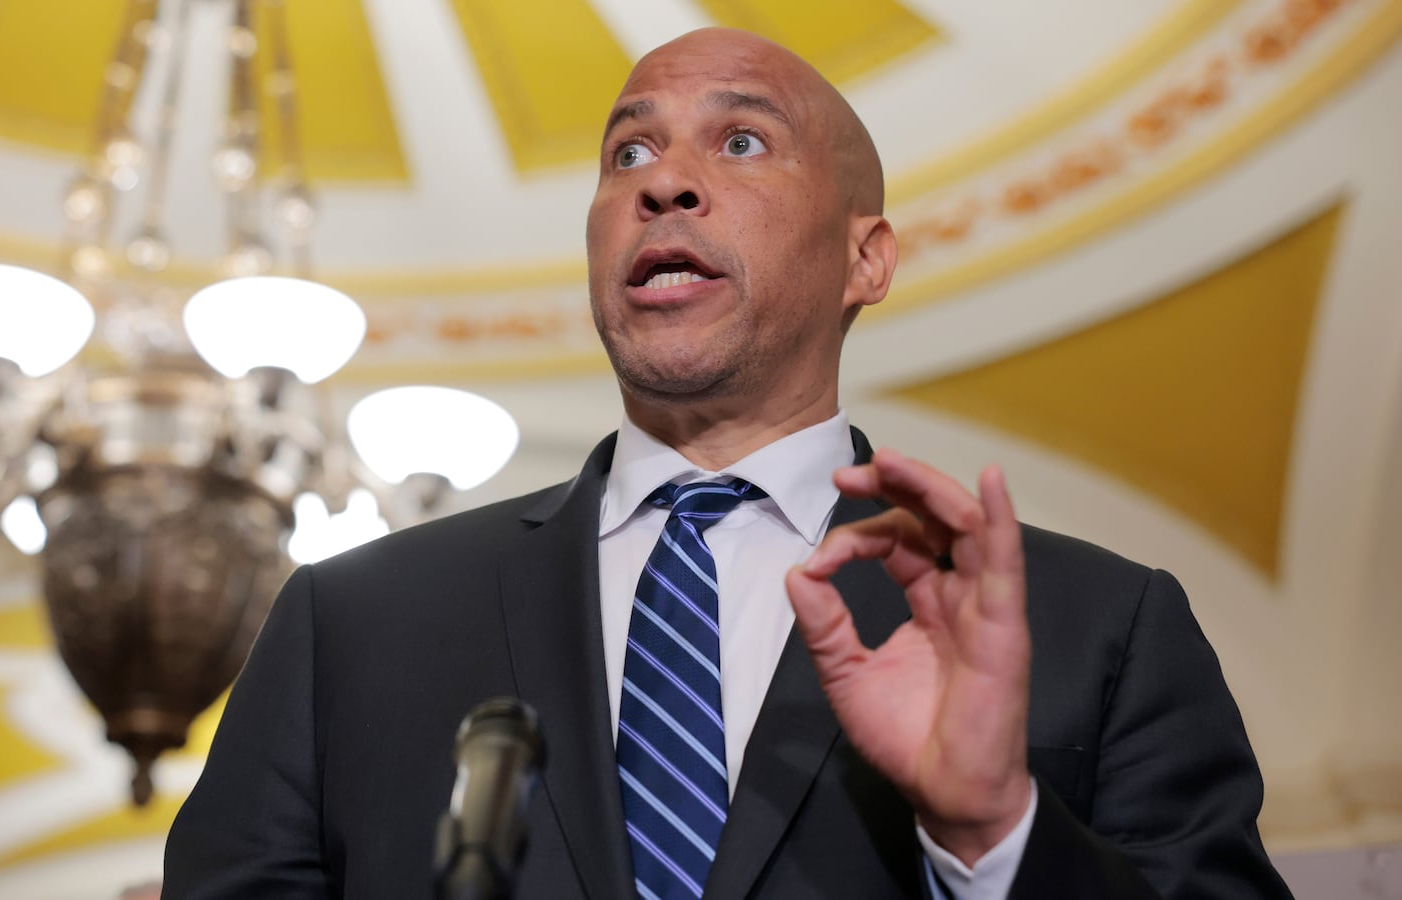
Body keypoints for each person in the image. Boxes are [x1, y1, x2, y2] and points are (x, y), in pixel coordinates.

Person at [164, 28, 1291, 899]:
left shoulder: (1096, 624)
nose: (665, 182)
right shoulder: (352, 623)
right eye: (629, 152)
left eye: (741, 141)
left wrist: (994, 834)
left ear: (866, 256)